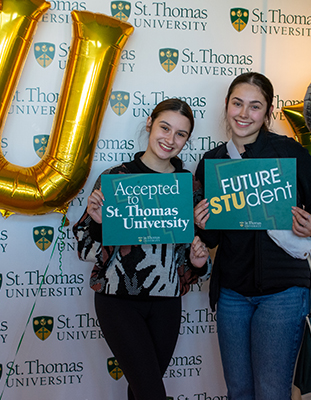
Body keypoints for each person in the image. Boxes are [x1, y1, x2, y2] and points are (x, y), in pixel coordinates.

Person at [194, 72, 311, 400]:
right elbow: (214, 237)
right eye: (237, 103)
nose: (244, 113)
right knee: (239, 391)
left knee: (271, 392)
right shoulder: (212, 161)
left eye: (255, 106)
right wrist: (202, 224)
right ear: (226, 105)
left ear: (268, 111)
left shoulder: (288, 152)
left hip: (283, 293)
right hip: (232, 293)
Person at [73, 98, 211, 400]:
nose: (170, 139)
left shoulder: (188, 187)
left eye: (180, 134)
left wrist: (198, 260)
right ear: (149, 123)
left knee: (141, 391)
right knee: (151, 393)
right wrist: (98, 224)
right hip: (118, 302)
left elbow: (194, 261)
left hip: (166, 305)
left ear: (187, 139)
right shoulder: (115, 179)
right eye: (165, 127)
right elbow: (84, 249)